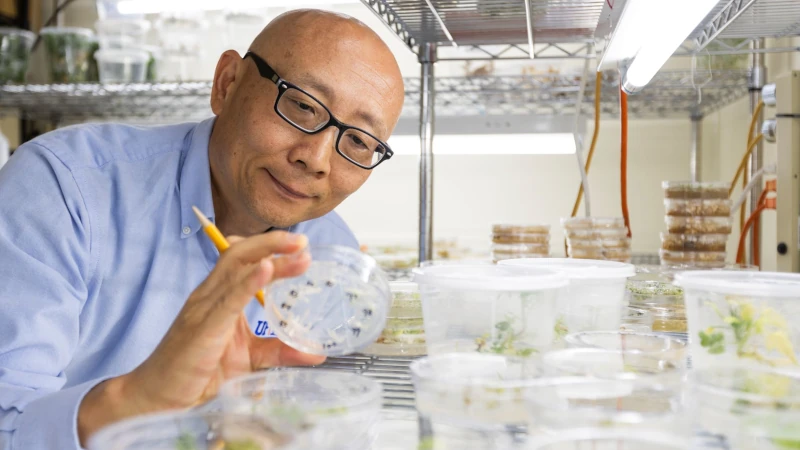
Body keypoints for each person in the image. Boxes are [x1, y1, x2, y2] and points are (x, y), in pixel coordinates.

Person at [0, 9, 404, 449]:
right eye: (303, 106)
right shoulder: (65, 188)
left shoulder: (329, 254)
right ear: (227, 84)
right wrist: (134, 400)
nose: (317, 159)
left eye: (359, 141)